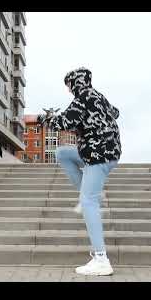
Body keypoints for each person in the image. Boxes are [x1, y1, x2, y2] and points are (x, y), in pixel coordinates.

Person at [37, 67, 121, 276]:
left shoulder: (82, 97)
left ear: (74, 83)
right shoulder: (98, 96)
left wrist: (44, 119)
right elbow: (116, 112)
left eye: (68, 86)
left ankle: (101, 259)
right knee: (63, 153)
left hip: (98, 155)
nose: (68, 90)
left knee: (89, 202)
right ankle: (88, 193)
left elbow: (65, 122)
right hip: (107, 152)